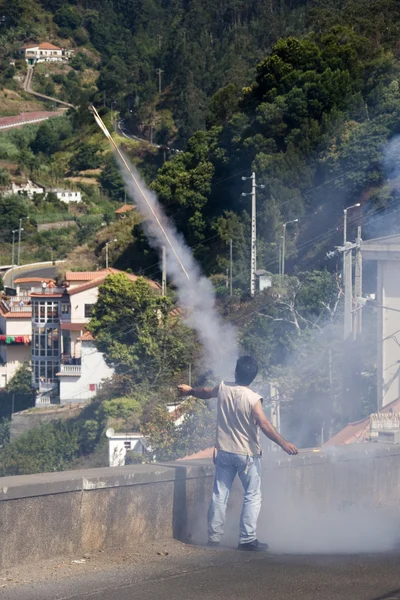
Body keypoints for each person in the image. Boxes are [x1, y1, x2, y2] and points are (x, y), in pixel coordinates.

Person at [177, 356, 298, 552]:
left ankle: (214, 538)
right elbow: (264, 424)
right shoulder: (252, 398)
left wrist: (190, 391)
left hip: (224, 451)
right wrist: (284, 443)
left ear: (236, 372)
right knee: (252, 495)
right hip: (246, 455)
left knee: (219, 495)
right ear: (253, 377)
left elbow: (206, 393)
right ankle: (247, 539)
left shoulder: (224, 387)